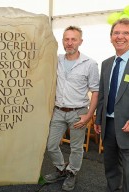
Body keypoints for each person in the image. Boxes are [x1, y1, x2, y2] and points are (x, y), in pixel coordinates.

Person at [94, 18, 129, 192]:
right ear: (111, 37)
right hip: (108, 125)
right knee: (110, 167)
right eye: (116, 33)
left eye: (126, 33)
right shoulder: (106, 63)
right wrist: (98, 119)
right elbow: (103, 96)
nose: (120, 37)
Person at [44, 26, 99, 191]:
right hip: (58, 111)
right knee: (51, 145)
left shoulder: (90, 64)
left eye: (73, 39)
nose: (69, 43)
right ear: (62, 41)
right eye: (66, 39)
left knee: (76, 147)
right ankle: (61, 168)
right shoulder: (56, 60)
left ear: (80, 41)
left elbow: (96, 91)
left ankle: (72, 172)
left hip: (78, 112)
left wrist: (89, 116)